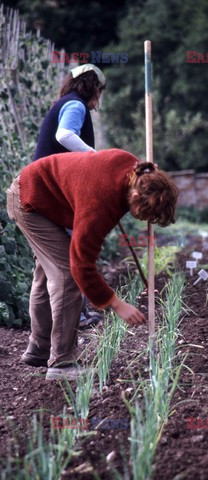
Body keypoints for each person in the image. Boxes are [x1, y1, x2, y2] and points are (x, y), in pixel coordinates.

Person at [6, 148, 178, 381]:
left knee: (48, 272)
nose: (145, 221)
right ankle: (62, 362)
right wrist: (116, 304)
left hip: (41, 194)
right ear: (136, 199)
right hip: (30, 200)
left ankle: (39, 348)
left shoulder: (135, 169)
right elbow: (81, 266)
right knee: (67, 274)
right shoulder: (101, 203)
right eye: (145, 215)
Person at [34, 63, 106, 328]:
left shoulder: (63, 102)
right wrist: (95, 157)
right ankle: (77, 316)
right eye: (99, 91)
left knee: (44, 270)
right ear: (92, 87)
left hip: (41, 193)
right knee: (69, 259)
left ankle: (39, 342)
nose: (98, 98)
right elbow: (64, 135)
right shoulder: (76, 105)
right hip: (52, 194)